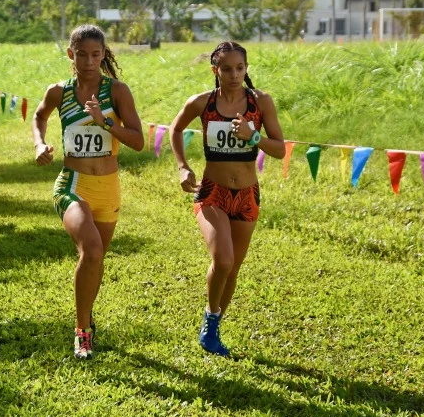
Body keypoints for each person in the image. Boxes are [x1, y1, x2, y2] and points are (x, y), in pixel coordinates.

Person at [32, 24, 144, 360]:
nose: (89, 61)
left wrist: (104, 121)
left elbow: (138, 141)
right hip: (73, 184)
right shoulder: (59, 92)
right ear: (71, 54)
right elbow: (39, 116)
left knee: (96, 260)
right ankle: (82, 333)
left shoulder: (117, 92)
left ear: (104, 54)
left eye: (96, 55)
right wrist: (39, 143)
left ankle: (86, 315)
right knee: (92, 250)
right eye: (82, 54)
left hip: (108, 189)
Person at [169, 41, 285, 357]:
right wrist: (182, 166)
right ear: (215, 70)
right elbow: (175, 130)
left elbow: (280, 149)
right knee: (223, 260)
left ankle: (212, 326)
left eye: (240, 68)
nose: (234, 75)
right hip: (212, 192)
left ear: (246, 69)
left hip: (247, 196)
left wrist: (253, 136)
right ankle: (210, 316)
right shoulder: (202, 102)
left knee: (232, 269)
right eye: (227, 69)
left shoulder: (260, 102)